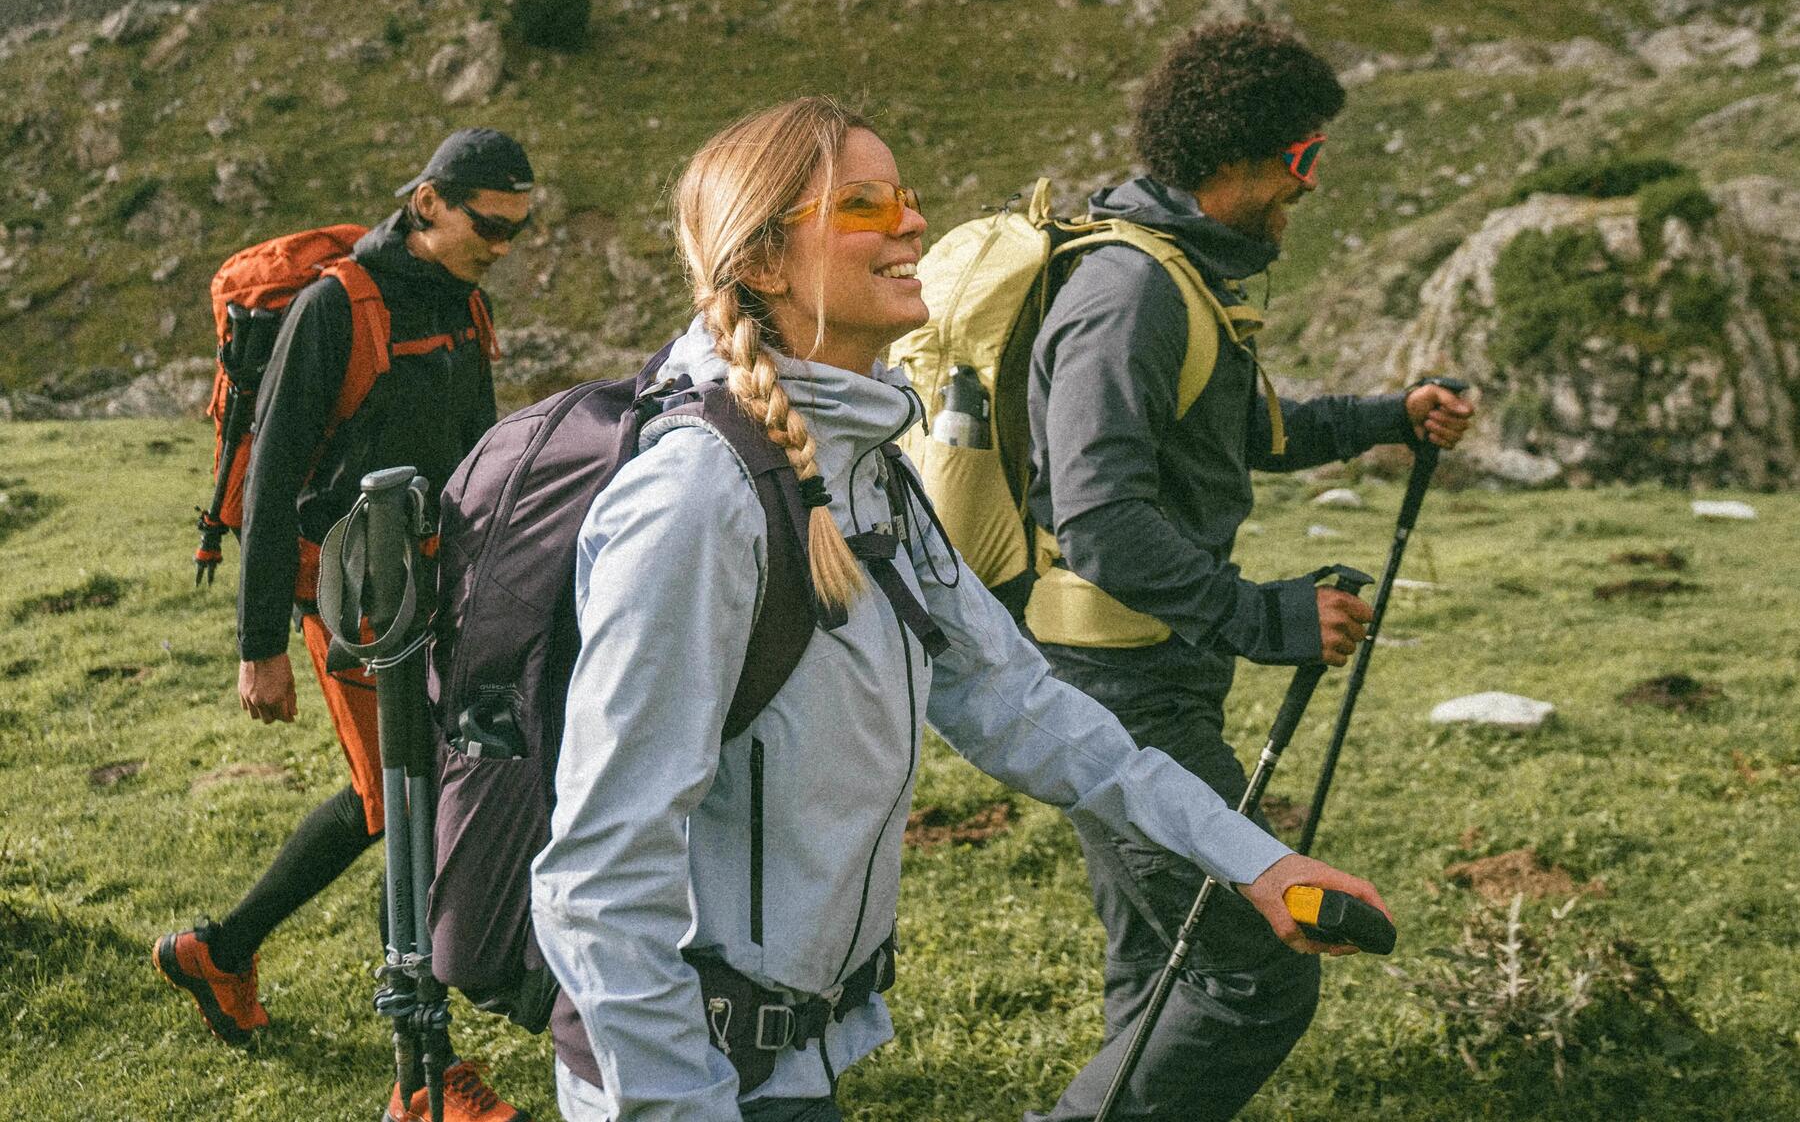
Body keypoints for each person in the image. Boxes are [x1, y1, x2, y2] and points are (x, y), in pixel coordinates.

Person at [530, 96, 1391, 1122]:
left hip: (783, 1067)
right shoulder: (697, 500)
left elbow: (1030, 709)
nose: (910, 225)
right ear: (761, 261)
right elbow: (598, 877)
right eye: (862, 204)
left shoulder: (868, 474)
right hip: (684, 1080)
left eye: (906, 197)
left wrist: (1252, 859)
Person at [1023, 21, 1477, 1122]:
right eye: (1305, 160)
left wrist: (1386, 417)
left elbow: (1244, 432)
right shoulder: (1129, 294)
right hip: (1117, 685)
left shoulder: (1180, 275)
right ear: (1240, 155)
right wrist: (1264, 618)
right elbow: (1099, 518)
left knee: (1166, 960)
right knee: (1255, 967)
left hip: (1139, 671)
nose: (1309, 188)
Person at [155, 126, 536, 1122]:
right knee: (409, 807)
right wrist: (258, 651)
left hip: (440, 593)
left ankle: (218, 952)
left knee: (391, 802)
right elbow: (275, 477)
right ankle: (425, 1070)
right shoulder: (337, 309)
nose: (502, 246)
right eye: (488, 226)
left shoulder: (461, 300)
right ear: (427, 203)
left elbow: (481, 453)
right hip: (354, 607)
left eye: (518, 230)